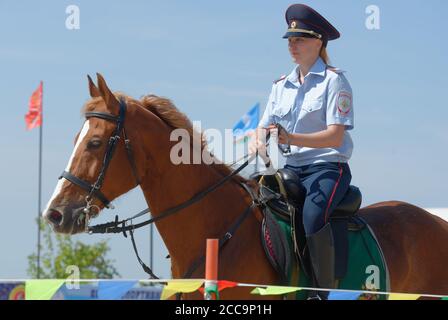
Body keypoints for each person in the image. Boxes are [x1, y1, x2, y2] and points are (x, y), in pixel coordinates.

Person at [250, 4, 354, 300]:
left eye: (300, 40)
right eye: (290, 40)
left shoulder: (335, 81)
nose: (292, 46)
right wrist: (259, 142)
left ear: (319, 41)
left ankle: (321, 293)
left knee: (311, 216)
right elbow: (262, 126)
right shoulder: (280, 85)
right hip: (288, 168)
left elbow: (335, 136)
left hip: (326, 168)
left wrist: (291, 136)